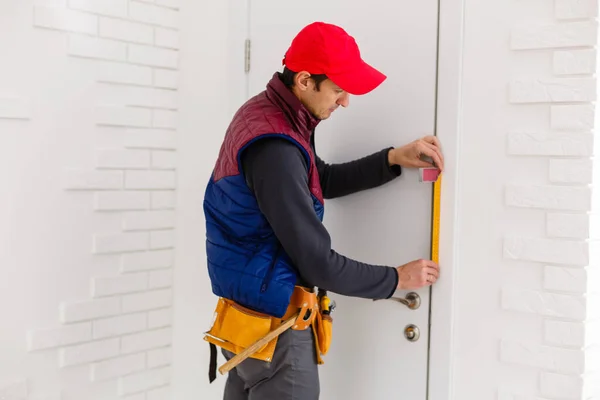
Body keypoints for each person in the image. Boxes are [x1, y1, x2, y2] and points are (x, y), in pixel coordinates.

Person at [203, 21, 443, 400]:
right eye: (338, 89)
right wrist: (396, 279)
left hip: (246, 323)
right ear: (303, 81)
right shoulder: (276, 148)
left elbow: (319, 180)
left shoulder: (266, 115)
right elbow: (319, 264)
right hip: (276, 333)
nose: (345, 100)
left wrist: (393, 159)